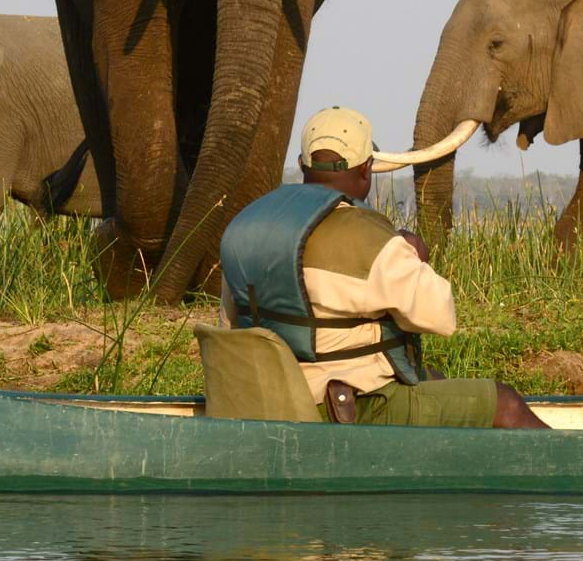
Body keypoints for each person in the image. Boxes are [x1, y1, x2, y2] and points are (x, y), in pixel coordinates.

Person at [218, 106, 548, 429]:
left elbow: (230, 322)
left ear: (303, 164)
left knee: (435, 381)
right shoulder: (372, 239)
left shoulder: (246, 227)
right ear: (366, 169)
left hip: (268, 398)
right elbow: (440, 315)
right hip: (346, 406)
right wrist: (415, 258)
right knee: (504, 403)